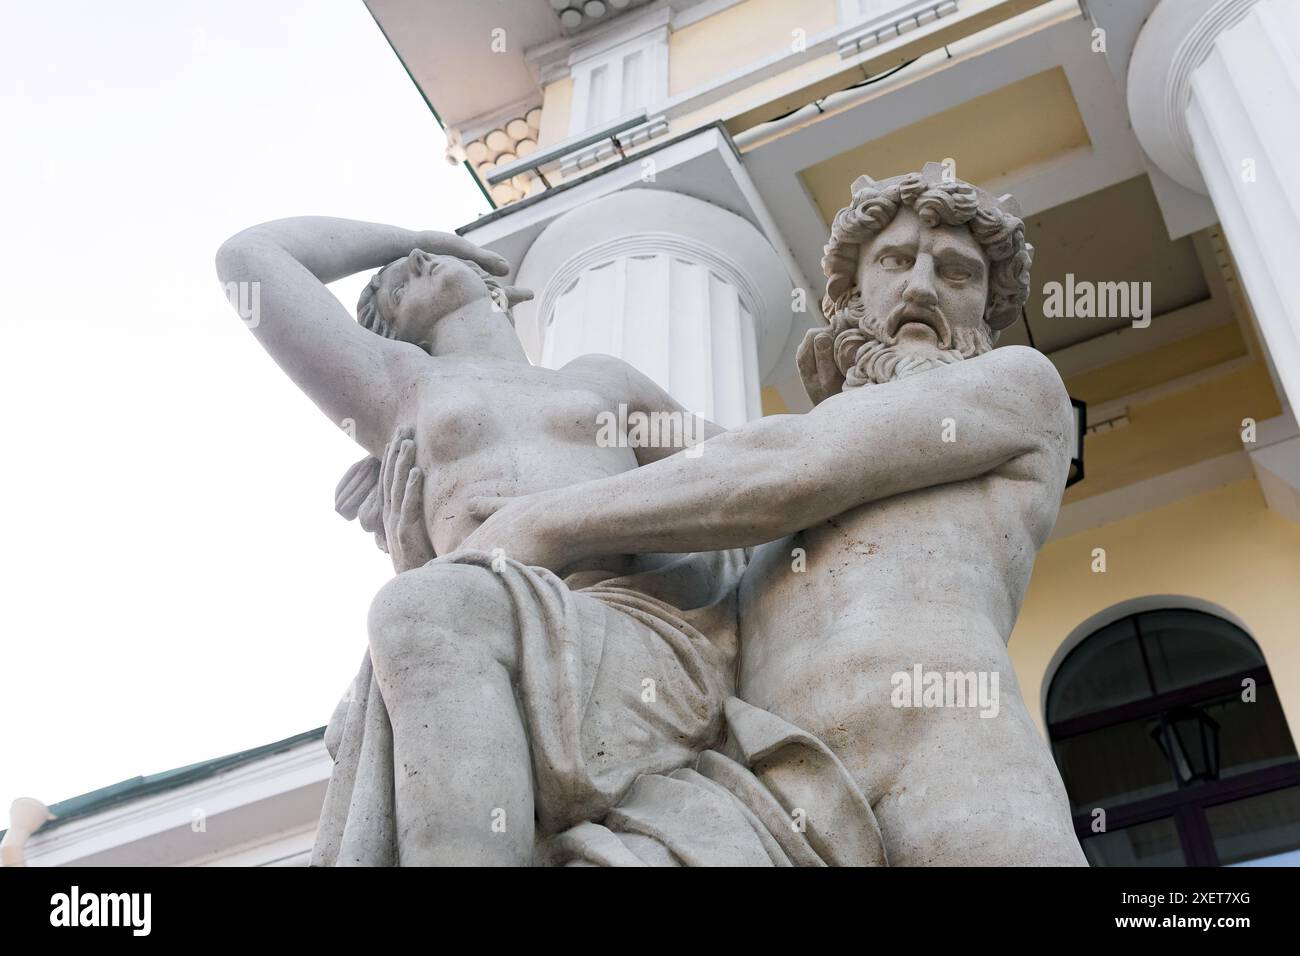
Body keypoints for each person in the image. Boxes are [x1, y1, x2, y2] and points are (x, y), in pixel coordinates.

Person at [463, 165, 1088, 865]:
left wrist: (542, 522)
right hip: (768, 796)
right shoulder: (766, 499)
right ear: (851, 297)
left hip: (956, 781)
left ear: (986, 311)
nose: (920, 288)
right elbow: (664, 456)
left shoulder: (1020, 387)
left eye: (956, 273)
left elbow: (793, 469)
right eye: (894, 261)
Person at [215, 218, 745, 865]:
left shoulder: (602, 377)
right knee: (421, 611)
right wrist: (411, 237)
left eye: (423, 257)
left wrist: (562, 520)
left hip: (623, 614)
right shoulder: (399, 382)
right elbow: (251, 257)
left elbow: (743, 470)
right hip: (475, 611)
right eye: (392, 284)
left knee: (425, 609)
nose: (414, 261)